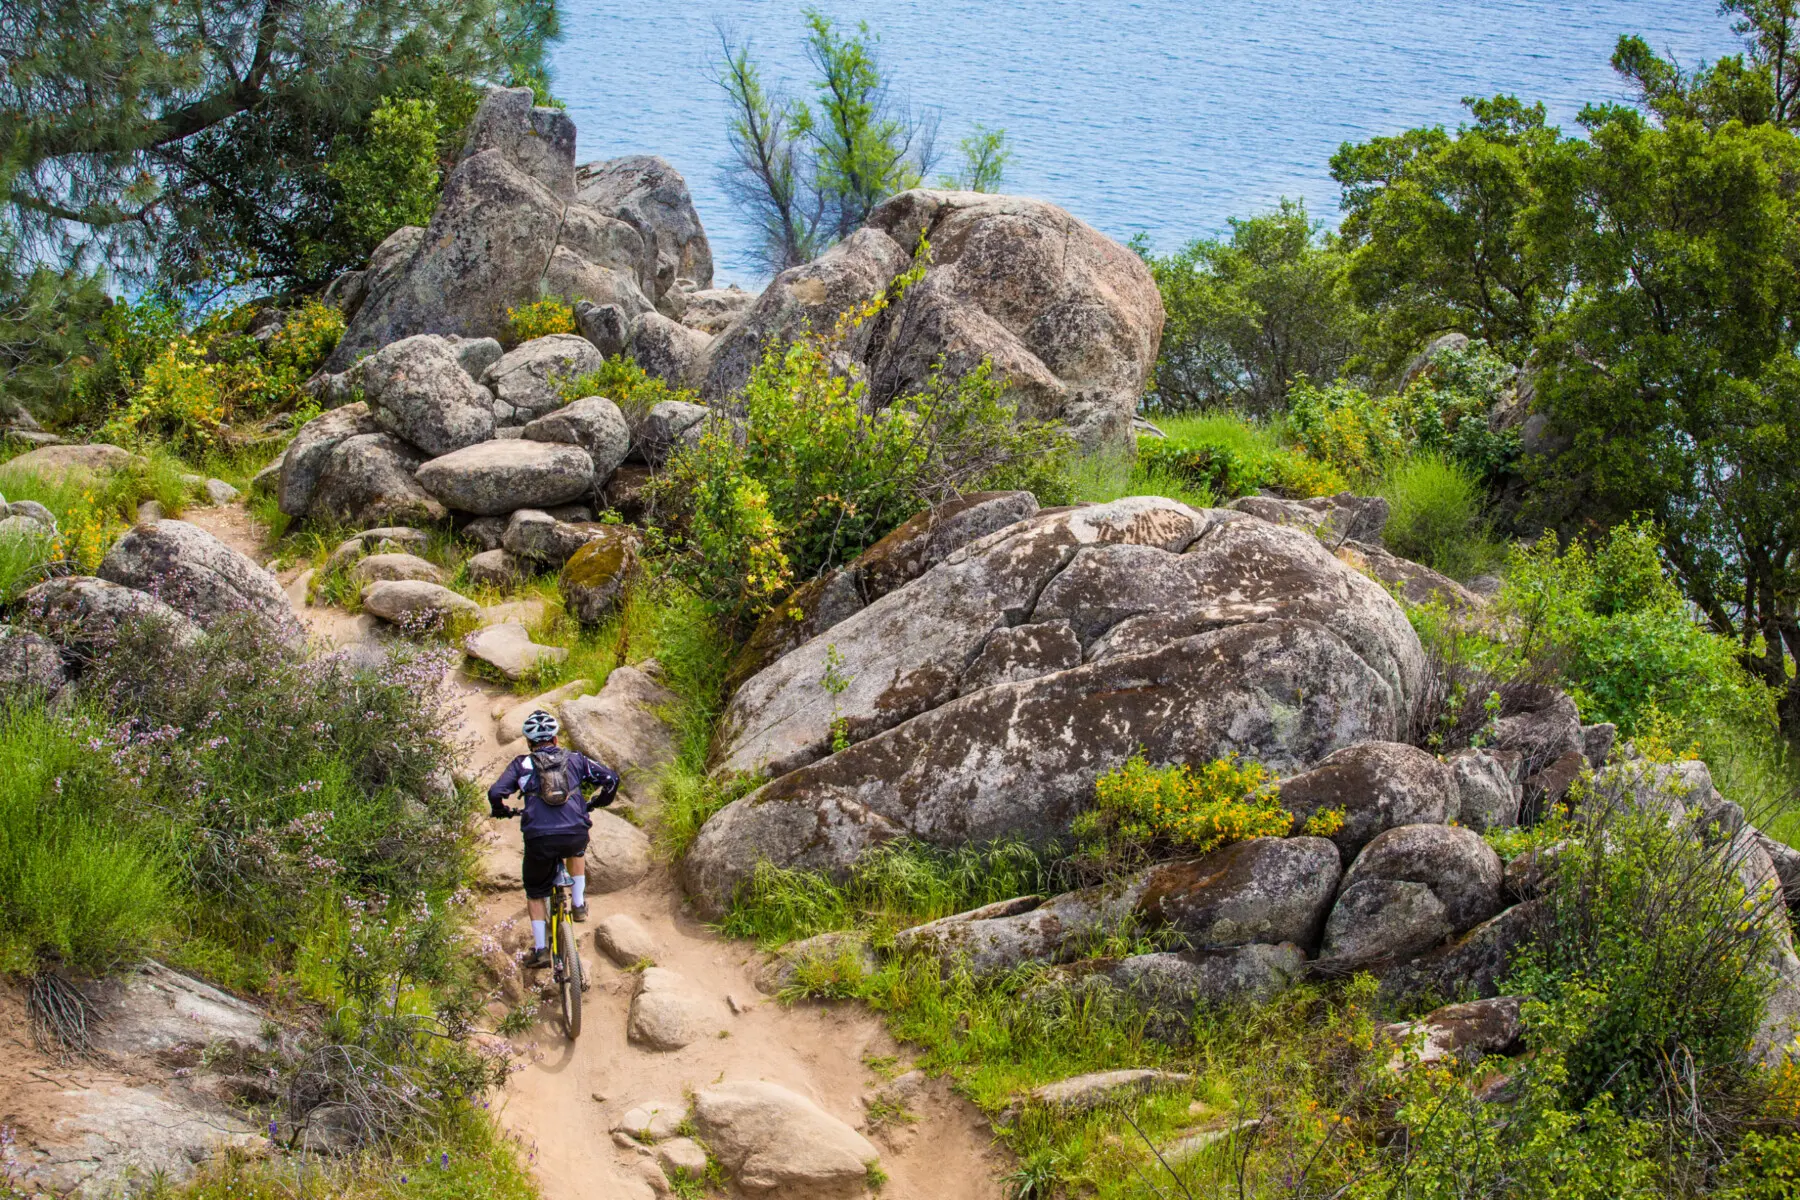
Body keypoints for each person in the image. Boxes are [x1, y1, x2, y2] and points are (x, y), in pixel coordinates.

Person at [488, 710, 619, 968]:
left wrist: (501, 810)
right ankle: (578, 904)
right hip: (574, 832)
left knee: (536, 892)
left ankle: (540, 951)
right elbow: (611, 779)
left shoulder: (522, 765)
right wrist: (596, 803)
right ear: (556, 739)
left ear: (529, 743)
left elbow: (495, 792)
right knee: (577, 850)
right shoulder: (576, 759)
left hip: (539, 838)